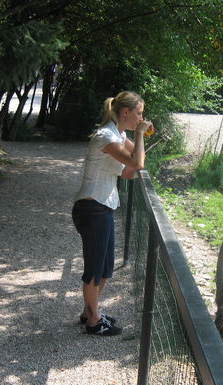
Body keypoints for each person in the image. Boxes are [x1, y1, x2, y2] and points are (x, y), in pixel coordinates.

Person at [72, 91, 153, 336]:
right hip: (92, 207)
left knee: (105, 266)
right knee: (95, 268)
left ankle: (90, 310)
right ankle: (93, 321)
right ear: (126, 112)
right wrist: (140, 134)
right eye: (139, 113)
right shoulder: (106, 136)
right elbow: (136, 164)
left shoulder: (119, 135)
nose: (142, 117)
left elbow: (135, 164)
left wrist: (139, 137)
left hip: (102, 207)